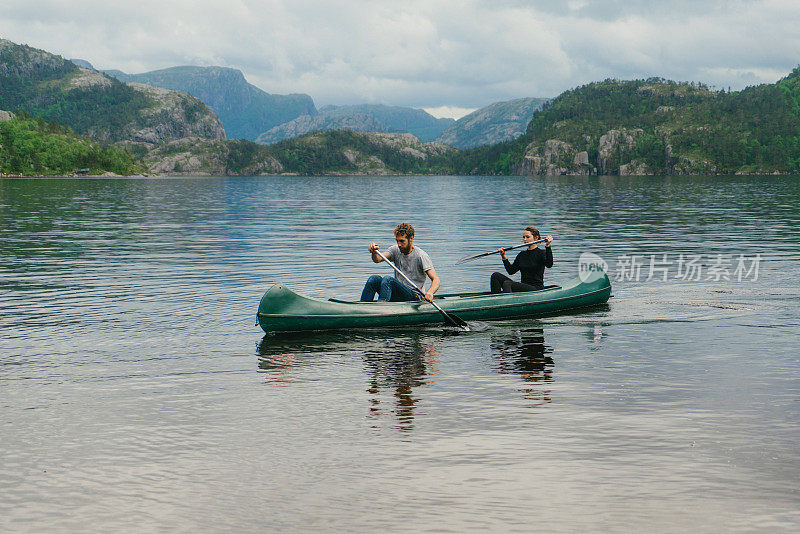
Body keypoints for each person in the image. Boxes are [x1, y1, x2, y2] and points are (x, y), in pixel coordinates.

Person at [360, 223, 441, 302]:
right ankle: (362, 307)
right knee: (374, 279)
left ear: (411, 239)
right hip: (398, 293)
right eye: (397, 241)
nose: (399, 245)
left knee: (388, 280)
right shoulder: (395, 250)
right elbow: (377, 259)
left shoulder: (421, 256)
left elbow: (436, 279)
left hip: (414, 296)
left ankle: (382, 308)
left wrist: (430, 292)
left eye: (402, 241)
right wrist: (374, 252)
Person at [490, 227, 553, 293]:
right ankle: (495, 299)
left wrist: (548, 245)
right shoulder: (522, 254)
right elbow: (511, 271)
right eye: (523, 237)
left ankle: (508, 302)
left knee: (507, 283)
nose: (525, 239)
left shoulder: (541, 253)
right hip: (524, 286)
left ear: (536, 238)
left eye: (527, 237)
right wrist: (503, 256)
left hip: (536, 288)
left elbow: (549, 264)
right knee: (495, 275)